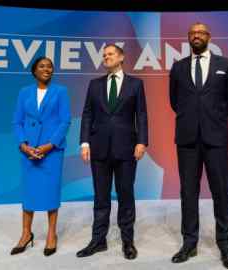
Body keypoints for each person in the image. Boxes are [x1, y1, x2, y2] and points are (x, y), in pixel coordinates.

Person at [169, 22, 228, 269]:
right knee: (188, 193)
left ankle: (226, 246)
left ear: (209, 37)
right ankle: (189, 243)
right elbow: (174, 101)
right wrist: (193, 119)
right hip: (187, 139)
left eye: (200, 33)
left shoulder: (225, 65)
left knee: (221, 192)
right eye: (192, 33)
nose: (196, 36)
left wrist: (216, 118)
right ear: (189, 38)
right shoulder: (178, 67)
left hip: (216, 138)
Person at [77, 44, 148, 260]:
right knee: (101, 197)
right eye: (104, 55)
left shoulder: (136, 84)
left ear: (121, 57)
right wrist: (84, 142)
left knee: (126, 195)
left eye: (110, 54)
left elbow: (142, 115)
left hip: (127, 148)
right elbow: (87, 114)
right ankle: (98, 241)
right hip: (98, 149)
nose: (106, 57)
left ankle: (128, 241)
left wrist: (142, 142)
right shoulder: (94, 84)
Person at [11, 56, 71, 256]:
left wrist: (49, 145)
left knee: (51, 192)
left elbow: (65, 122)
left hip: (51, 151)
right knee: (29, 192)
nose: (47, 69)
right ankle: (26, 233)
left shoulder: (61, 92)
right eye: (42, 66)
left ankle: (51, 235)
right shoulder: (24, 93)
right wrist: (23, 145)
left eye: (50, 67)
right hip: (28, 151)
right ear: (34, 71)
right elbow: (17, 122)